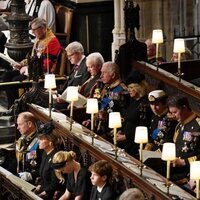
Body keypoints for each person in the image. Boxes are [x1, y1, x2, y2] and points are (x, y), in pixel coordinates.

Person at [2, 17, 61, 108]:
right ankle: (12, 106)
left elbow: (45, 66)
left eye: (34, 30)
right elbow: (33, 57)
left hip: (40, 73)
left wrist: (26, 69)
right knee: (7, 76)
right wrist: (22, 63)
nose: (32, 32)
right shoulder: (40, 37)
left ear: (42, 28)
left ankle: (19, 107)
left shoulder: (52, 42)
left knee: (14, 81)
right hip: (31, 69)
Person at [116, 70, 152, 157]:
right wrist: (120, 131)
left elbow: (143, 125)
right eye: (128, 88)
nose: (129, 90)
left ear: (139, 88)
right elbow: (126, 118)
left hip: (134, 141)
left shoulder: (145, 104)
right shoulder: (133, 101)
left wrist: (126, 136)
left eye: (132, 88)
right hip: (125, 136)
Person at [33, 121, 61, 199]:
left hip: (50, 195)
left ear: (50, 142)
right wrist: (39, 186)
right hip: (42, 190)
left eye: (42, 139)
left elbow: (55, 183)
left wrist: (43, 193)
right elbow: (43, 175)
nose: (39, 142)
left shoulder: (56, 158)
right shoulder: (45, 154)